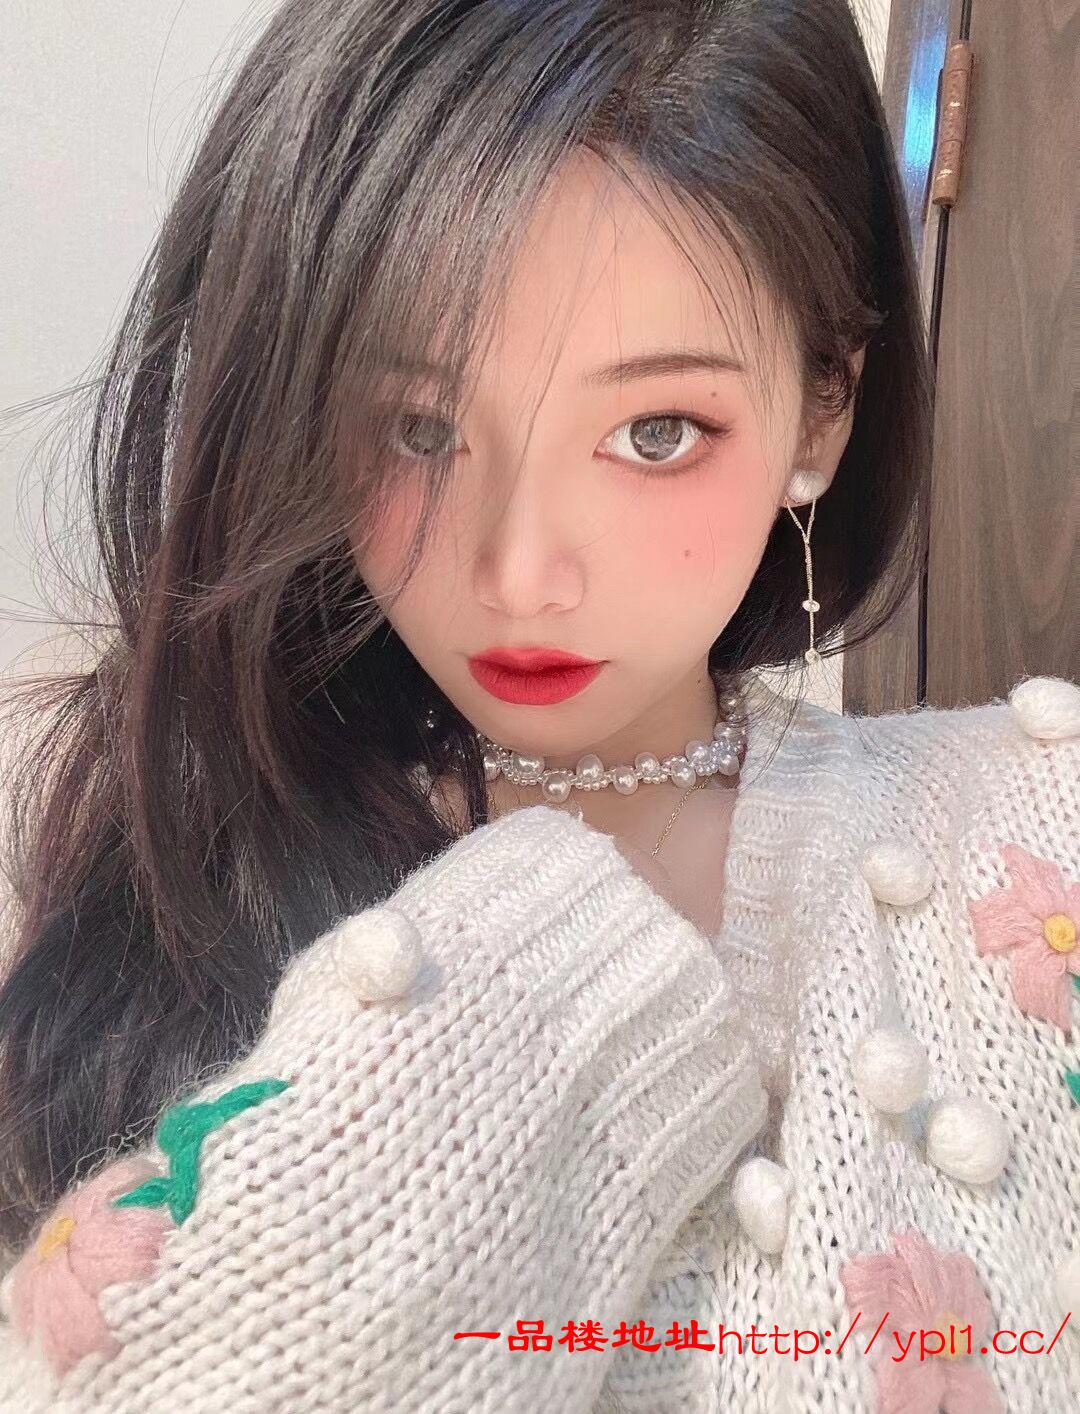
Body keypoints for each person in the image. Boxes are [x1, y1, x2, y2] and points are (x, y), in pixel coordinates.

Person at [0, 1, 1076, 1410]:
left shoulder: (1033, 826)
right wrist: (531, 995)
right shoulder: (170, 863)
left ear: (822, 411)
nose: (519, 574)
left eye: (654, 432)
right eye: (421, 430)